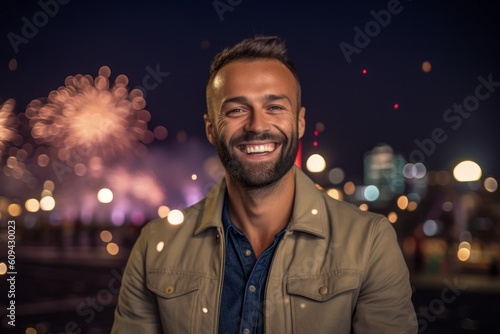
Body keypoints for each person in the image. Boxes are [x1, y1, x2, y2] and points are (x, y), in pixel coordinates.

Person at [111, 36, 417, 334]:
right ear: (210, 129)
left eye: (275, 107)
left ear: (299, 121)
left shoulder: (370, 242)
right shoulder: (155, 244)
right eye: (236, 110)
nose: (257, 126)